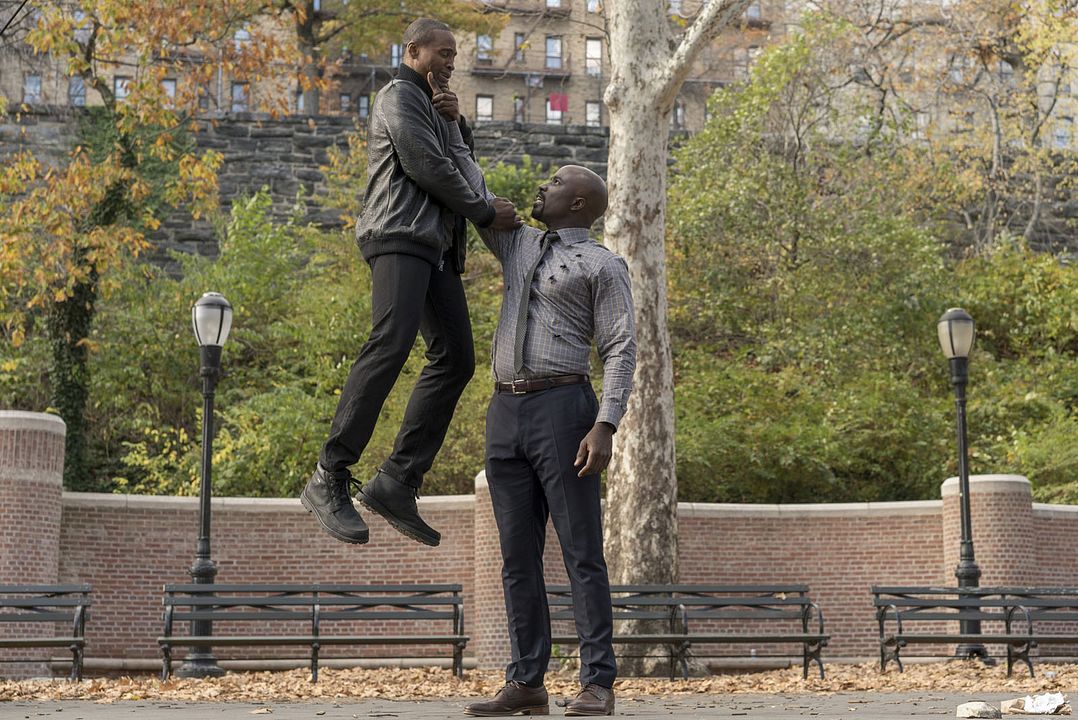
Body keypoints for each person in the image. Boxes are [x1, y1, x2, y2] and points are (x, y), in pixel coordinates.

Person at [432, 83, 636, 718]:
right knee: (516, 559)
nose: (539, 188)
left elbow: (624, 348)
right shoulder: (517, 245)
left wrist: (605, 424)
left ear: (576, 202)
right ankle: (527, 681)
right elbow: (477, 195)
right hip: (505, 412)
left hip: (564, 410)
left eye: (552, 183)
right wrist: (457, 128)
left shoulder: (603, 265)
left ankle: (597, 682)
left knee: (582, 554)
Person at [300, 18, 517, 548]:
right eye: (442, 53)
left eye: (454, 54)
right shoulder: (398, 94)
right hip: (397, 234)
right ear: (413, 50)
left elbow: (455, 163)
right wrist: (486, 213)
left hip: (434, 246)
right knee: (391, 342)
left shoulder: (433, 105)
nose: (450, 62)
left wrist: (459, 126)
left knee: (457, 359)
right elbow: (426, 168)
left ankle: (397, 482)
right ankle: (329, 474)